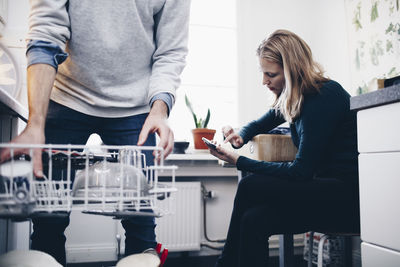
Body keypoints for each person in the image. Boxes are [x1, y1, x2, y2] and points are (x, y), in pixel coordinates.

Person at [0, 0, 190, 266]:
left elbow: (170, 52)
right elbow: (45, 32)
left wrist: (159, 110)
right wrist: (35, 124)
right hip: (66, 96)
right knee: (48, 218)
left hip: (135, 107)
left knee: (141, 223)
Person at [210, 29, 360, 267]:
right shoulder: (299, 95)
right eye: (263, 73)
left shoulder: (323, 96)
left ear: (292, 70)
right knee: (253, 220)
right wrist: (240, 136)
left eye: (271, 74)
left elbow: (300, 172)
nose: (264, 81)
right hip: (323, 191)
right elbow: (264, 120)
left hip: (345, 199)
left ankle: (224, 264)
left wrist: (238, 161)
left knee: (249, 185)